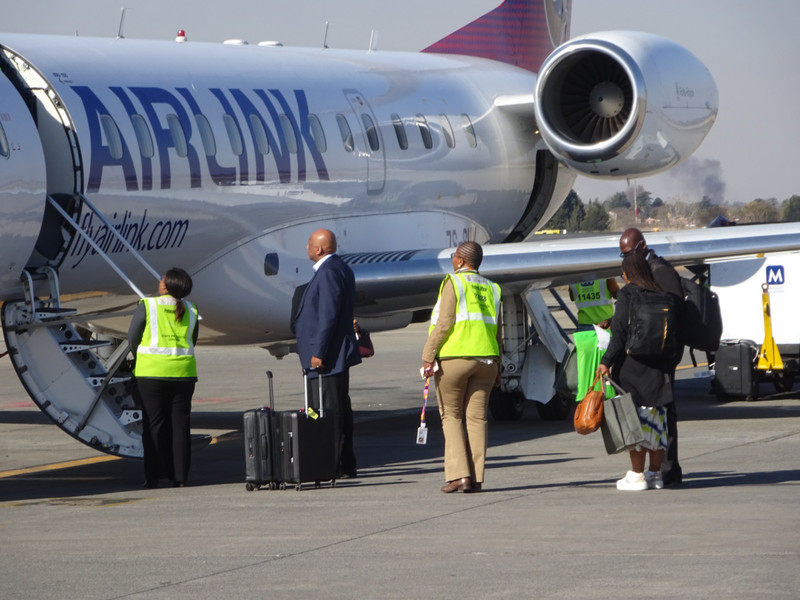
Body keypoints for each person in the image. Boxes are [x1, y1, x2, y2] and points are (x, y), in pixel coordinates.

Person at [422, 241, 502, 493]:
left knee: (451, 416)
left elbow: (444, 323)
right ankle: (477, 478)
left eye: (454, 256)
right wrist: (498, 363)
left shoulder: (453, 283)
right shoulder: (493, 288)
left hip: (455, 358)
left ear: (459, 260)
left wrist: (428, 354)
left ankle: (460, 476)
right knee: (477, 419)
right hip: (487, 359)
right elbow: (497, 330)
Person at [596, 253, 673, 491]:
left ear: (628, 274)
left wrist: (605, 361)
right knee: (657, 423)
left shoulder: (627, 294)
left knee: (635, 423)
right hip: (658, 369)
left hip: (632, 369)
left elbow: (619, 334)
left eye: (623, 272)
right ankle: (655, 474)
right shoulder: (663, 295)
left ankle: (637, 475)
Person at [293, 229, 361, 479]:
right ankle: (343, 463)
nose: (307, 247)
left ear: (319, 249)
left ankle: (332, 464)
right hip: (333, 355)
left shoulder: (329, 272)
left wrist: (318, 352)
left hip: (328, 357)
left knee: (328, 411)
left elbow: (327, 316)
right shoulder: (337, 268)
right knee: (337, 408)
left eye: (310, 244)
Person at [619, 227, 684, 487]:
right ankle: (661, 472)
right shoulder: (647, 275)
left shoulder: (660, 272)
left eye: (630, 252)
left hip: (661, 354)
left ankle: (667, 470)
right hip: (656, 353)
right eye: (622, 254)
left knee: (662, 414)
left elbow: (671, 312)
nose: (626, 259)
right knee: (658, 414)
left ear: (643, 247)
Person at [128, 268, 199, 488]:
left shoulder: (147, 305)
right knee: (180, 426)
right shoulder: (192, 309)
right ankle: (180, 477)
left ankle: (154, 475)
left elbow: (133, 338)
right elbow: (192, 340)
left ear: (166, 285)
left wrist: (141, 356)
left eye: (162, 278)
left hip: (152, 373)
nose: (160, 280)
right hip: (184, 374)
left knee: (154, 426)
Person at [568, 278, 619, 402]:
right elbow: (617, 293)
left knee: (586, 368)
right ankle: (607, 397)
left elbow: (572, 297)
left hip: (584, 327)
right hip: (605, 326)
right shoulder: (605, 277)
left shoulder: (574, 277)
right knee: (607, 365)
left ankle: (588, 400)